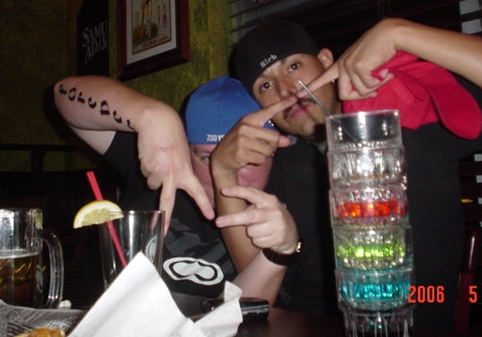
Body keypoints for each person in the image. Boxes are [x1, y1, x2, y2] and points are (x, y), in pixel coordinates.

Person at [219, 17, 482, 333]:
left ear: (326, 60)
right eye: (265, 85)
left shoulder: (408, 116)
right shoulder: (277, 169)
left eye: (293, 66)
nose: (286, 90)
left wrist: (400, 33)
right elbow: (255, 294)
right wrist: (222, 171)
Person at [53, 75, 298, 304]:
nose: (226, 176)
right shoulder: (166, 168)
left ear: (273, 154)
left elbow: (252, 310)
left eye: (249, 158)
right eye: (207, 158)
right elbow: (62, 94)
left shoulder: (294, 193)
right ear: (186, 152)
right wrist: (152, 116)